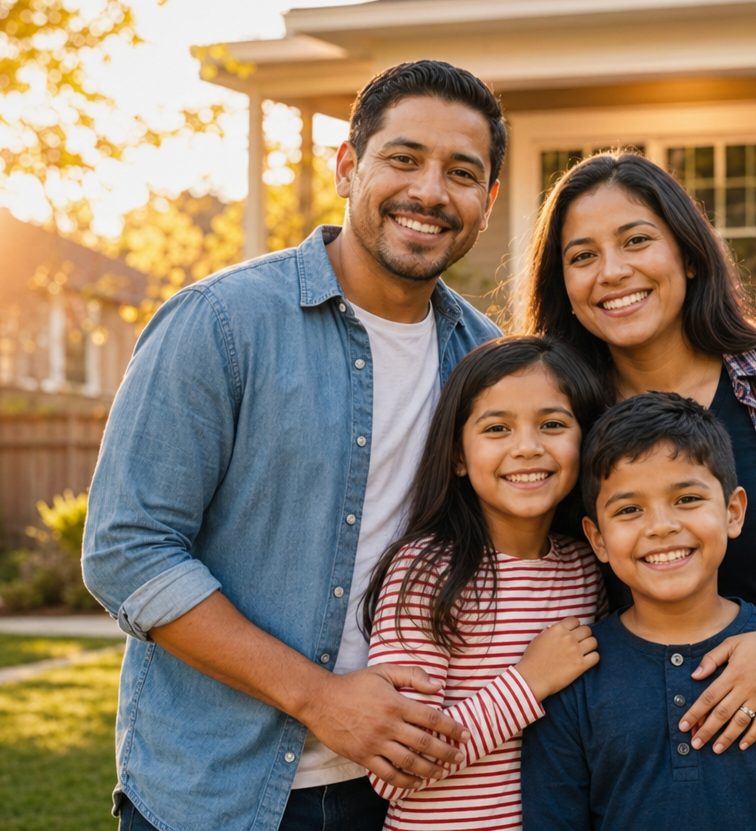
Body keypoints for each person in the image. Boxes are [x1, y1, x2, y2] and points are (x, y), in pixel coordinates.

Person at [82, 60, 507, 831]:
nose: (430, 192)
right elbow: (128, 550)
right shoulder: (221, 323)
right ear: (348, 168)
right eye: (403, 159)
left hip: (412, 794)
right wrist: (322, 699)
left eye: (462, 172)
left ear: (487, 201)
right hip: (216, 793)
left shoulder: (488, 364)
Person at [519, 152, 756, 831]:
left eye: (637, 240)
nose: (612, 271)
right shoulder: (564, 422)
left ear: (690, 255)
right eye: (582, 256)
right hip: (627, 755)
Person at [521, 391, 756, 831]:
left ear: (733, 512)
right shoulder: (575, 678)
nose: (661, 526)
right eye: (630, 509)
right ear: (598, 539)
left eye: (687, 499)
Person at [361, 336, 609, 830]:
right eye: (497, 428)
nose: (527, 447)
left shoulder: (587, 566)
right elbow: (397, 769)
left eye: (553, 424)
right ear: (457, 456)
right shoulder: (428, 572)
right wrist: (529, 683)